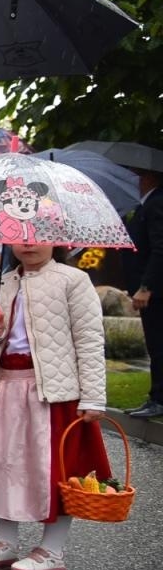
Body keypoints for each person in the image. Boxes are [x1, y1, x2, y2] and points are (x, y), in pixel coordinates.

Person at [0, 244, 110, 570]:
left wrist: (93, 397)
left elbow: (89, 338)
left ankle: (52, 549)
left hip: (54, 391)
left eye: (38, 235)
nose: (29, 244)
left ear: (56, 240)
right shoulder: (2, 283)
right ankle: (5, 540)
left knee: (55, 468)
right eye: (20, 237)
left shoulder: (72, 280)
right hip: (7, 385)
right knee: (2, 462)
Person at [125, 164, 163, 419]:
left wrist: (146, 287)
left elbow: (160, 248)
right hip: (150, 290)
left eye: (138, 175)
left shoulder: (156, 203)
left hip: (155, 293)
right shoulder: (146, 204)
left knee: (158, 344)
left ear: (149, 177)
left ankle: (159, 399)